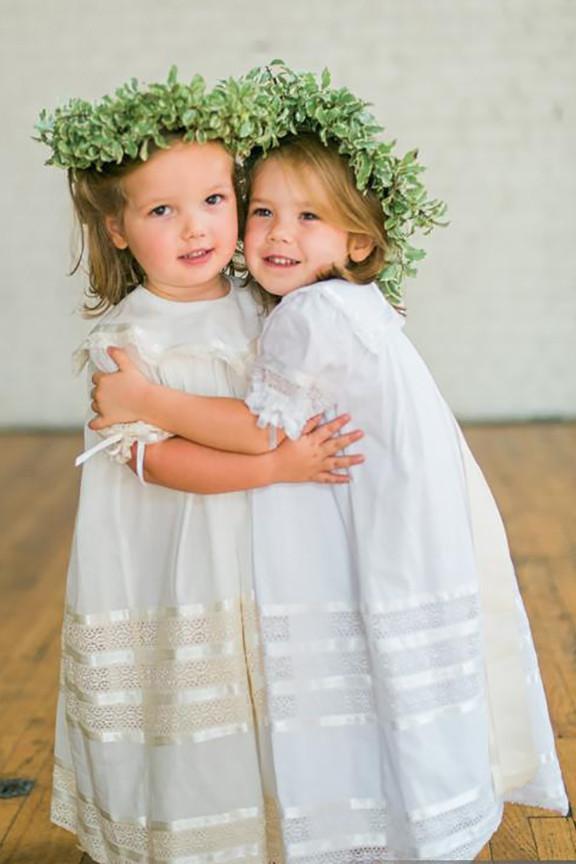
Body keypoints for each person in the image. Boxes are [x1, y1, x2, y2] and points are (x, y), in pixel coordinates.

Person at [90, 67, 568, 861]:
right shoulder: (341, 305)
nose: (279, 234)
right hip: (401, 514)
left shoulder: (309, 314)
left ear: (357, 240)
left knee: (365, 659)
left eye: (308, 217)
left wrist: (145, 397)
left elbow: (253, 431)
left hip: (373, 520)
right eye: (266, 212)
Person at [37, 71, 365, 864]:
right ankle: (183, 838)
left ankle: (274, 830)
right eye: (161, 210)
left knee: (260, 685)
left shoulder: (266, 308)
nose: (196, 227)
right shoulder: (130, 342)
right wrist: (279, 463)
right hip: (169, 552)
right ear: (116, 228)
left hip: (256, 547)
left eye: (215, 200)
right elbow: (167, 464)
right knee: (183, 688)